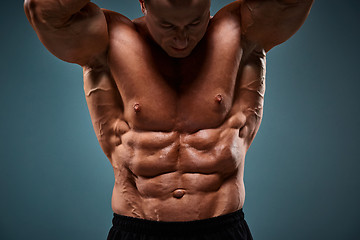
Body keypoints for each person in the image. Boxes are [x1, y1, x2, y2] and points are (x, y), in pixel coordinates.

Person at [24, 0, 313, 239]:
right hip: (138, 227)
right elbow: (43, 10)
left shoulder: (239, 31)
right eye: (168, 26)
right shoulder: (109, 40)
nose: (182, 38)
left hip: (222, 227)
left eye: (194, 23)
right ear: (143, 4)